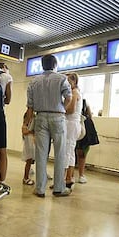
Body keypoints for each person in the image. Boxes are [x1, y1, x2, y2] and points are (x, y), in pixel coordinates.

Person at [24, 54, 72, 197]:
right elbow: (69, 97)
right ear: (55, 65)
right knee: (60, 154)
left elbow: (30, 107)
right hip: (58, 117)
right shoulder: (62, 78)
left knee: (41, 154)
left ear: (42, 65)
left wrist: (27, 124)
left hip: (41, 118)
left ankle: (40, 189)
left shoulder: (34, 82)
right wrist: (62, 108)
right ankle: (59, 188)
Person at [64, 72, 82, 188]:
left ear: (74, 81)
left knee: (67, 151)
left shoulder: (75, 92)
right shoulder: (74, 92)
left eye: (68, 81)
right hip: (72, 124)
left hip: (71, 124)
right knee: (70, 151)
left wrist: (59, 109)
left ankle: (66, 178)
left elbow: (70, 110)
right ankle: (68, 177)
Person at [75, 100, 99, 183]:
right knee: (82, 153)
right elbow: (90, 115)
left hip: (74, 126)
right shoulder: (85, 102)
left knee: (70, 154)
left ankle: (69, 175)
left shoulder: (68, 99)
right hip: (84, 127)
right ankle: (81, 175)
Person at [21, 111, 35, 185]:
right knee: (29, 160)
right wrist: (32, 132)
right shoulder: (28, 119)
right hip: (29, 142)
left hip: (31, 141)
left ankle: (27, 177)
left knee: (30, 160)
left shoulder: (34, 117)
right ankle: (25, 178)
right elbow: (24, 131)